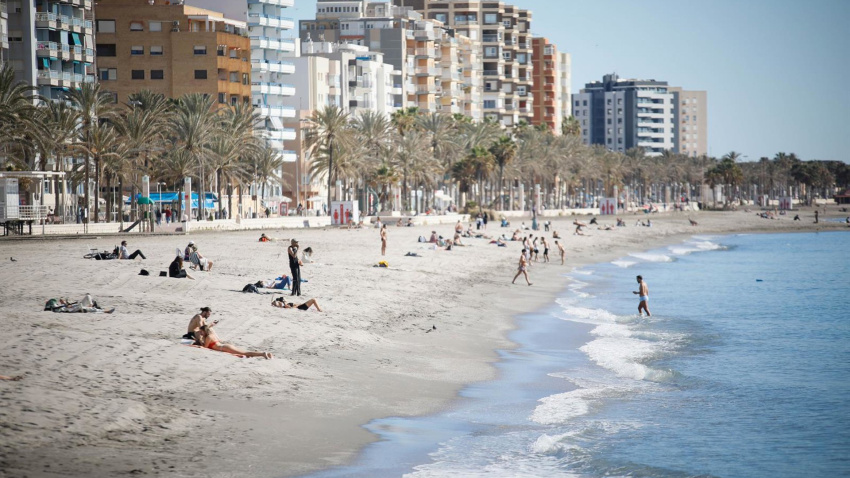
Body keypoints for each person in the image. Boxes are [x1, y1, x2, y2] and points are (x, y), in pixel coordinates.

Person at [196, 323, 272, 359]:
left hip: (225, 348)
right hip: (225, 347)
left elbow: (205, 347)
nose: (200, 333)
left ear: (204, 331)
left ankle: (263, 354)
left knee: (246, 353)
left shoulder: (208, 337)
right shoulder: (210, 335)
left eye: (201, 331)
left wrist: (199, 340)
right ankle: (267, 354)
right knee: (246, 353)